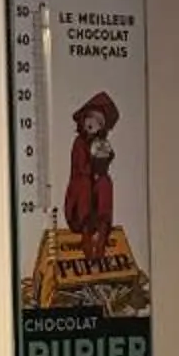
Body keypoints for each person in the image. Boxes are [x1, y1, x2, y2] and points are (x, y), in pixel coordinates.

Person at [64, 92, 117, 263]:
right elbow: (81, 169)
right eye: (90, 118)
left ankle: (102, 229)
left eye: (99, 122)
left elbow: (100, 173)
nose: (92, 124)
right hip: (78, 206)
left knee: (105, 182)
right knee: (85, 184)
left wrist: (104, 162)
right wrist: (94, 165)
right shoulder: (79, 143)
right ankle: (87, 233)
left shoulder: (100, 144)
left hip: (96, 204)